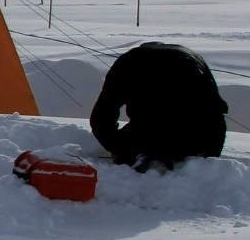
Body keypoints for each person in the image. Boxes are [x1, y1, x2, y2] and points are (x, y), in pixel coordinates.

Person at [89, 41, 228, 171]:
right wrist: (208, 158)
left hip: (146, 131)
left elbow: (102, 117)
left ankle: (145, 160)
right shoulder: (193, 59)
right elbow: (215, 112)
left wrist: (118, 147)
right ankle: (166, 160)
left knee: (141, 141)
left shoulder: (127, 64)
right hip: (187, 132)